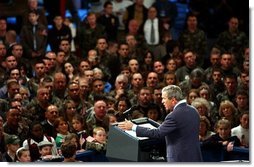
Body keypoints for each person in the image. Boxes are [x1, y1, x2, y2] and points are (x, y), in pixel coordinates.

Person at [118, 85, 203, 162]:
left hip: (180, 159)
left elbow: (158, 133)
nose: (162, 101)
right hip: (195, 158)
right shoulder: (193, 111)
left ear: (173, 100)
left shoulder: (173, 116)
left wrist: (133, 127)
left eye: (164, 98)